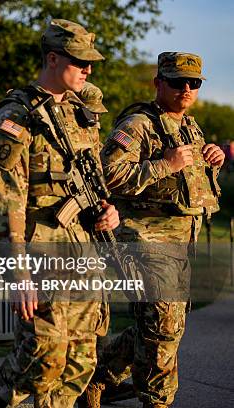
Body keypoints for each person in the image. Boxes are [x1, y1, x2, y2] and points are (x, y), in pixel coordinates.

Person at [0, 19, 119, 408]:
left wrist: (108, 211)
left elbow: (94, 179)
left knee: (81, 362)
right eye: (79, 61)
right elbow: (5, 201)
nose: (88, 70)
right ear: (52, 58)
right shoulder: (16, 116)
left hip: (83, 249)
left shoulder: (82, 113)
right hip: (40, 253)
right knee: (46, 357)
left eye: (90, 63)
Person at [82, 52, 224, 408]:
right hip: (146, 240)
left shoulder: (189, 125)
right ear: (158, 83)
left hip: (181, 242)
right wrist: (164, 164)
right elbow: (108, 174)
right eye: (177, 82)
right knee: (163, 327)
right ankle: (157, 401)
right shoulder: (139, 124)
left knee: (161, 325)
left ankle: (96, 375)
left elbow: (188, 184)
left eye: (193, 83)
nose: (187, 89)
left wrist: (212, 162)